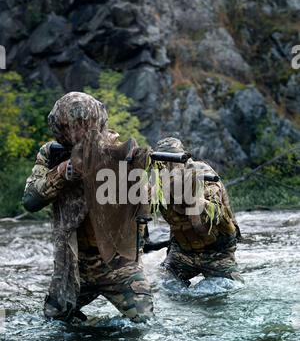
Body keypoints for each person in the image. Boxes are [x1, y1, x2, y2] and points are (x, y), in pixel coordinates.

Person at [23, 92, 153, 323]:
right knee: (53, 328)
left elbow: (143, 209)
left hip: (120, 266)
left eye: (85, 124)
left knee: (145, 327)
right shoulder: (50, 153)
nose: (79, 130)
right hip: (72, 268)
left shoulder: (118, 150)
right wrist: (64, 172)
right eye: (71, 126)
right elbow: (31, 200)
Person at [154, 137, 242, 286]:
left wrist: (194, 199)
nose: (167, 167)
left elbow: (216, 212)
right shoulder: (157, 180)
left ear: (184, 159)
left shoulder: (202, 173)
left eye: (172, 161)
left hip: (217, 252)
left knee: (224, 288)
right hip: (182, 252)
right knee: (165, 286)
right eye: (162, 162)